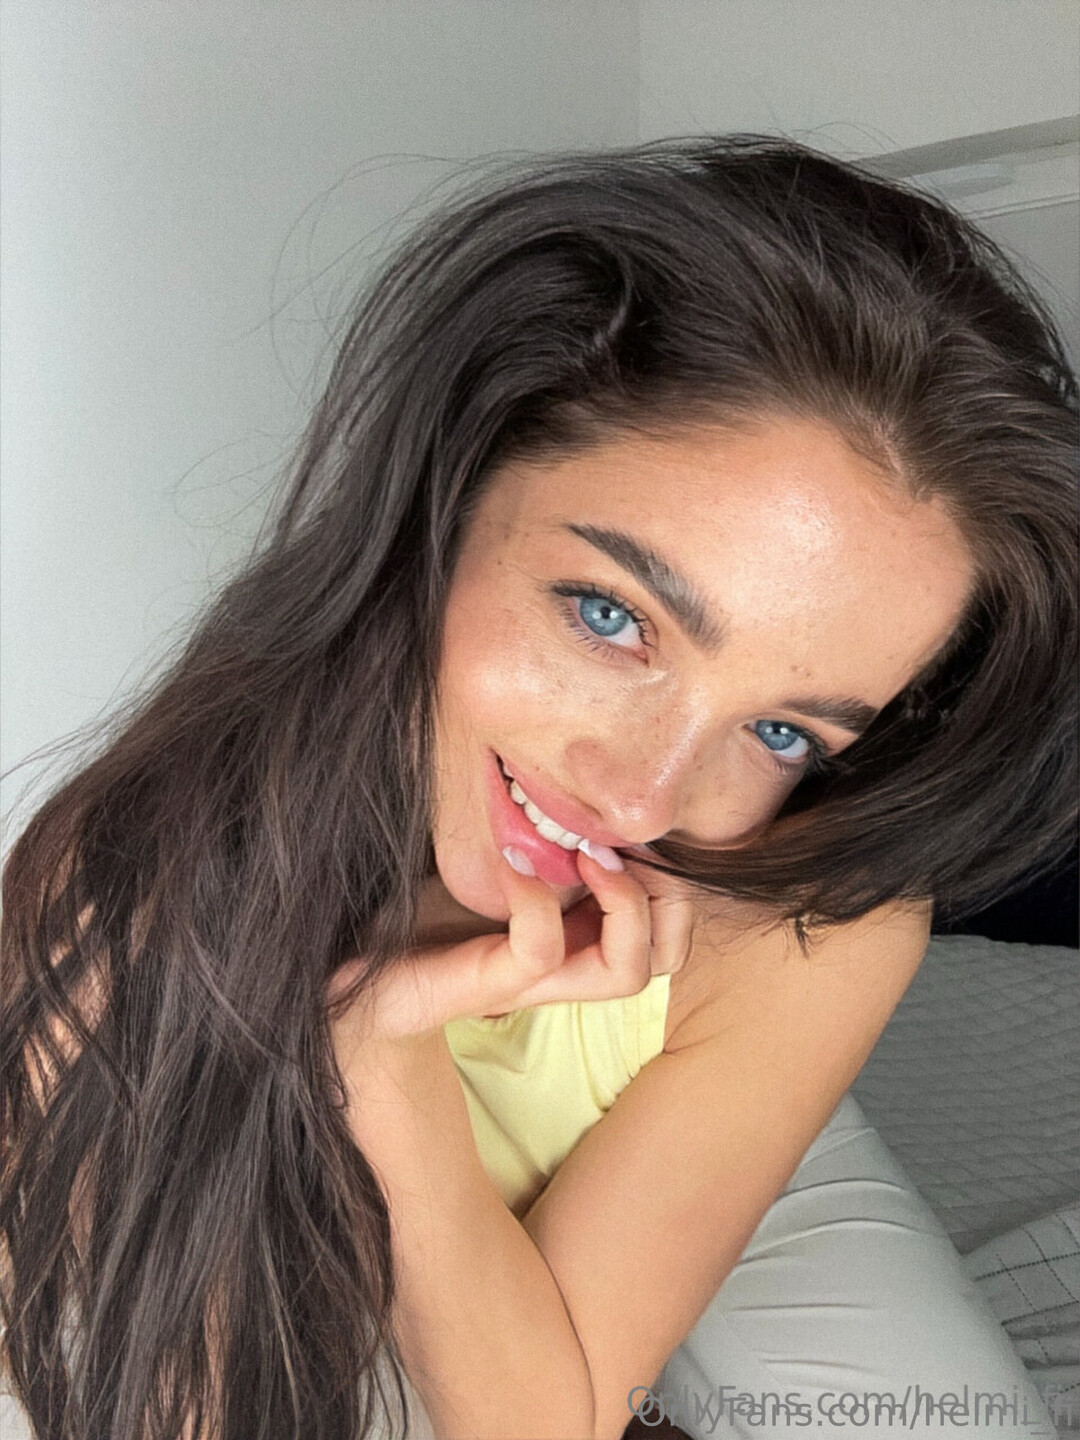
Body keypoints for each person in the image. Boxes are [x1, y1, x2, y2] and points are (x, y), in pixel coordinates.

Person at [1, 136, 1075, 1440]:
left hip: (706, 1103)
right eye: (611, 617)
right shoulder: (133, 882)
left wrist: (378, 1061)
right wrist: (352, 1034)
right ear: (451, 491)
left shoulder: (802, 919)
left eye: (782, 732)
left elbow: (545, 1420)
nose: (644, 799)